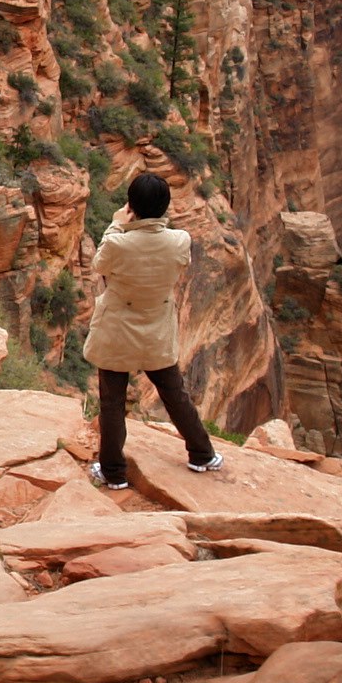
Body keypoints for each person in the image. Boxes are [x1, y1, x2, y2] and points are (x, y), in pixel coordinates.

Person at [81, 170, 222, 489]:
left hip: (118, 327)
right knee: (175, 394)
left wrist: (118, 222)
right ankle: (202, 454)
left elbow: (99, 265)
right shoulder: (179, 240)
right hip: (156, 327)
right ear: (165, 207)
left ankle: (113, 473)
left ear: (131, 205)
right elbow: (175, 260)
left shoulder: (119, 242)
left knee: (112, 402)